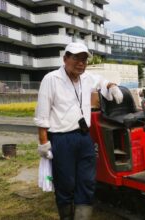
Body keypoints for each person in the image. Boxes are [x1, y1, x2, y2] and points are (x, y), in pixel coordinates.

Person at [34, 42, 123, 220]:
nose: (81, 63)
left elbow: (101, 81)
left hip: (84, 137)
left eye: (84, 59)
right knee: (66, 183)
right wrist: (44, 143)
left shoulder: (86, 77)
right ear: (65, 58)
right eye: (76, 58)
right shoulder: (51, 79)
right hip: (61, 138)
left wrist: (112, 86)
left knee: (87, 181)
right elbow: (42, 115)